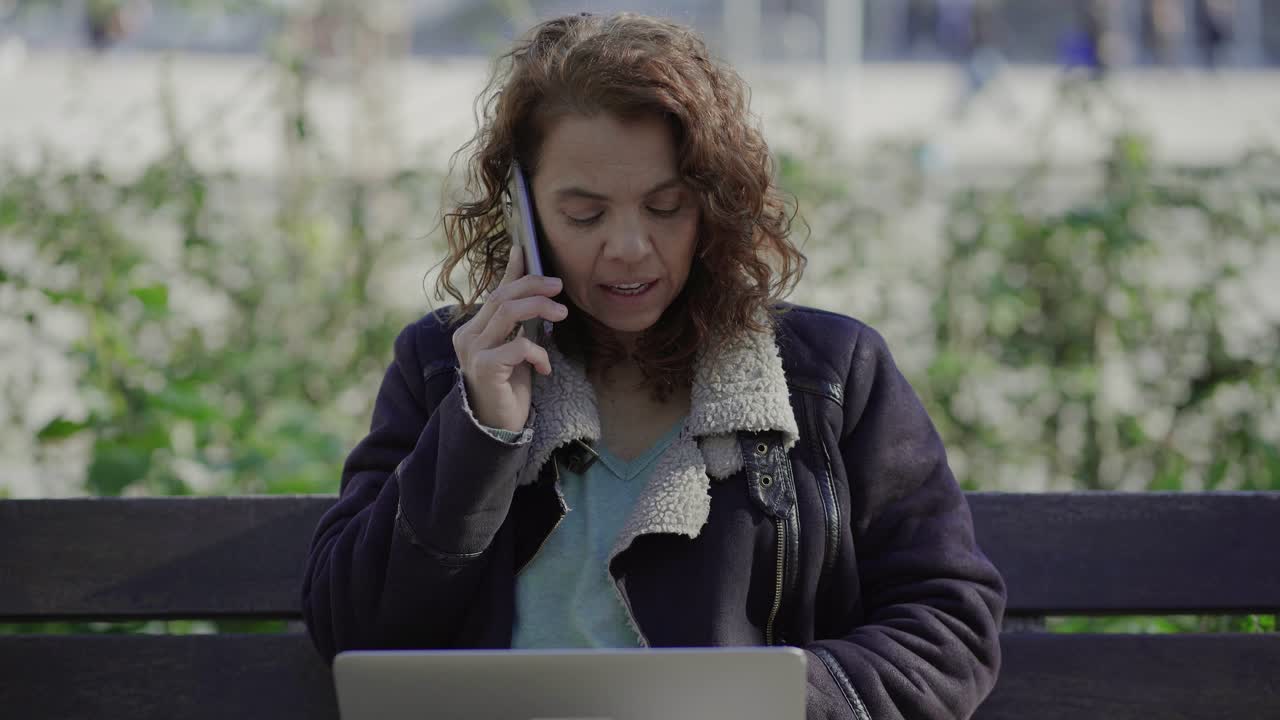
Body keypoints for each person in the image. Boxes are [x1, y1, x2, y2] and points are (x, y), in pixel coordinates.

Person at [302, 12, 1006, 720]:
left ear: (714, 203)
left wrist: (779, 702)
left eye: (666, 206)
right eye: (584, 216)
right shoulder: (444, 368)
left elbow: (947, 626)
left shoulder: (830, 377)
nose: (631, 247)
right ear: (523, 213)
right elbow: (353, 631)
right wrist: (478, 435)